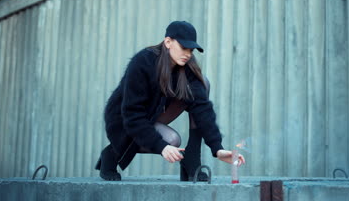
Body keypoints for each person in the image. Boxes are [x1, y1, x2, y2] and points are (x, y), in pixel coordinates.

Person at [95, 21, 245, 181]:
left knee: (202, 84)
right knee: (172, 141)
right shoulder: (142, 63)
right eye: (183, 47)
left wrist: (217, 149)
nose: (188, 54)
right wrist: (161, 146)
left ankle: (192, 157)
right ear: (168, 42)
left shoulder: (187, 66)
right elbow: (132, 115)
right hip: (123, 119)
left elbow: (202, 109)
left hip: (153, 112)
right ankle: (111, 153)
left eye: (191, 50)